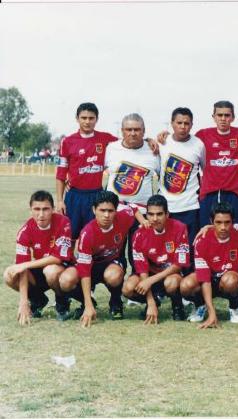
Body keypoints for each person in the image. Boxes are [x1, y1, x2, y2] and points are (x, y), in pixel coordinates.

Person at [58, 191, 146, 327]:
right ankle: (87, 303)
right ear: (94, 210)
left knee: (113, 275)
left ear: (116, 210)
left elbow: (133, 208)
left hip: (112, 263)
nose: (106, 215)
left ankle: (116, 302)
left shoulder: (123, 217)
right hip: (91, 267)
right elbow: (85, 271)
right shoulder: (87, 234)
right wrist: (88, 305)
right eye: (102, 210)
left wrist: (143, 221)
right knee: (65, 280)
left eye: (110, 211)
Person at [3, 191, 74, 324]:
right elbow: (21, 270)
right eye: (36, 209)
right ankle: (38, 300)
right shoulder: (24, 231)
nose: (41, 214)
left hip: (61, 269)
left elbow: (58, 258)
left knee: (51, 271)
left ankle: (62, 303)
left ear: (52, 209)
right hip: (39, 270)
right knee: (9, 274)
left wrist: (25, 264)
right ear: (30, 210)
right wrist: (23, 302)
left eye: (45, 209)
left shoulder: (63, 222)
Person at [122, 195, 190, 323]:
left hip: (169, 273)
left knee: (172, 283)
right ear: (146, 215)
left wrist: (151, 280)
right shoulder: (139, 234)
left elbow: (179, 264)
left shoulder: (180, 228)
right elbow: (142, 270)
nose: (155, 218)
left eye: (159, 214)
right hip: (148, 274)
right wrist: (150, 301)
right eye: (151, 214)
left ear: (167, 214)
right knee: (128, 288)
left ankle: (177, 305)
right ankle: (154, 301)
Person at [105, 113, 160, 271]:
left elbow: (163, 178)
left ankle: (137, 292)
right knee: (114, 254)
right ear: (122, 131)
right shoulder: (111, 148)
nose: (133, 133)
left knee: (139, 253)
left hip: (142, 213)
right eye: (129, 129)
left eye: (137, 129)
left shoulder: (154, 151)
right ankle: (116, 293)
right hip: (116, 212)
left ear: (144, 131)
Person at [55, 103, 118, 240]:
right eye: (83, 118)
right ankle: (67, 261)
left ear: (97, 119)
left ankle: (93, 262)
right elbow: (60, 174)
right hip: (74, 196)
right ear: (77, 118)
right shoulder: (67, 141)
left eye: (91, 118)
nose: (87, 121)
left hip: (96, 195)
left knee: (95, 236)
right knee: (70, 237)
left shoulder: (106, 138)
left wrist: (148, 140)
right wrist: (60, 200)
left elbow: (129, 142)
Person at [180, 202, 238, 328]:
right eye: (218, 222)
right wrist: (212, 313)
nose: (223, 227)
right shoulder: (202, 241)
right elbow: (204, 279)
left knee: (231, 280)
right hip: (208, 280)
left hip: (228, 281)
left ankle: (235, 307)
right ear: (212, 221)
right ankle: (201, 305)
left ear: (233, 222)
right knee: (186, 285)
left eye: (227, 222)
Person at [195, 101, 238, 226]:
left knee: (234, 231)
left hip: (233, 193)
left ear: (233, 117)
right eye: (219, 115)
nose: (223, 119)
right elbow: (184, 144)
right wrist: (164, 137)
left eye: (227, 115)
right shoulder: (203, 134)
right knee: (207, 229)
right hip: (209, 193)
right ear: (213, 117)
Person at [158, 107, 205, 245]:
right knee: (166, 247)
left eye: (186, 123)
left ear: (191, 125)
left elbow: (204, 169)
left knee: (188, 247)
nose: (183, 127)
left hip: (190, 206)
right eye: (179, 123)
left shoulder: (198, 144)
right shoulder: (162, 143)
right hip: (166, 206)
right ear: (172, 123)